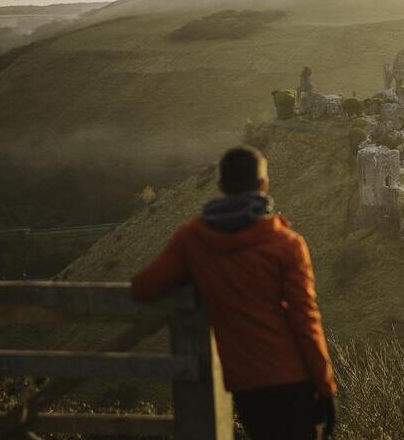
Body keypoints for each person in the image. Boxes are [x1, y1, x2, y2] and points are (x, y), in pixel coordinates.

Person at [130, 145, 337, 439]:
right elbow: (305, 321)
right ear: (263, 185)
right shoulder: (287, 244)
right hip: (294, 378)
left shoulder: (192, 239)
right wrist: (326, 386)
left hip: (247, 385)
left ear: (221, 187)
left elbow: (143, 288)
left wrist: (195, 275)